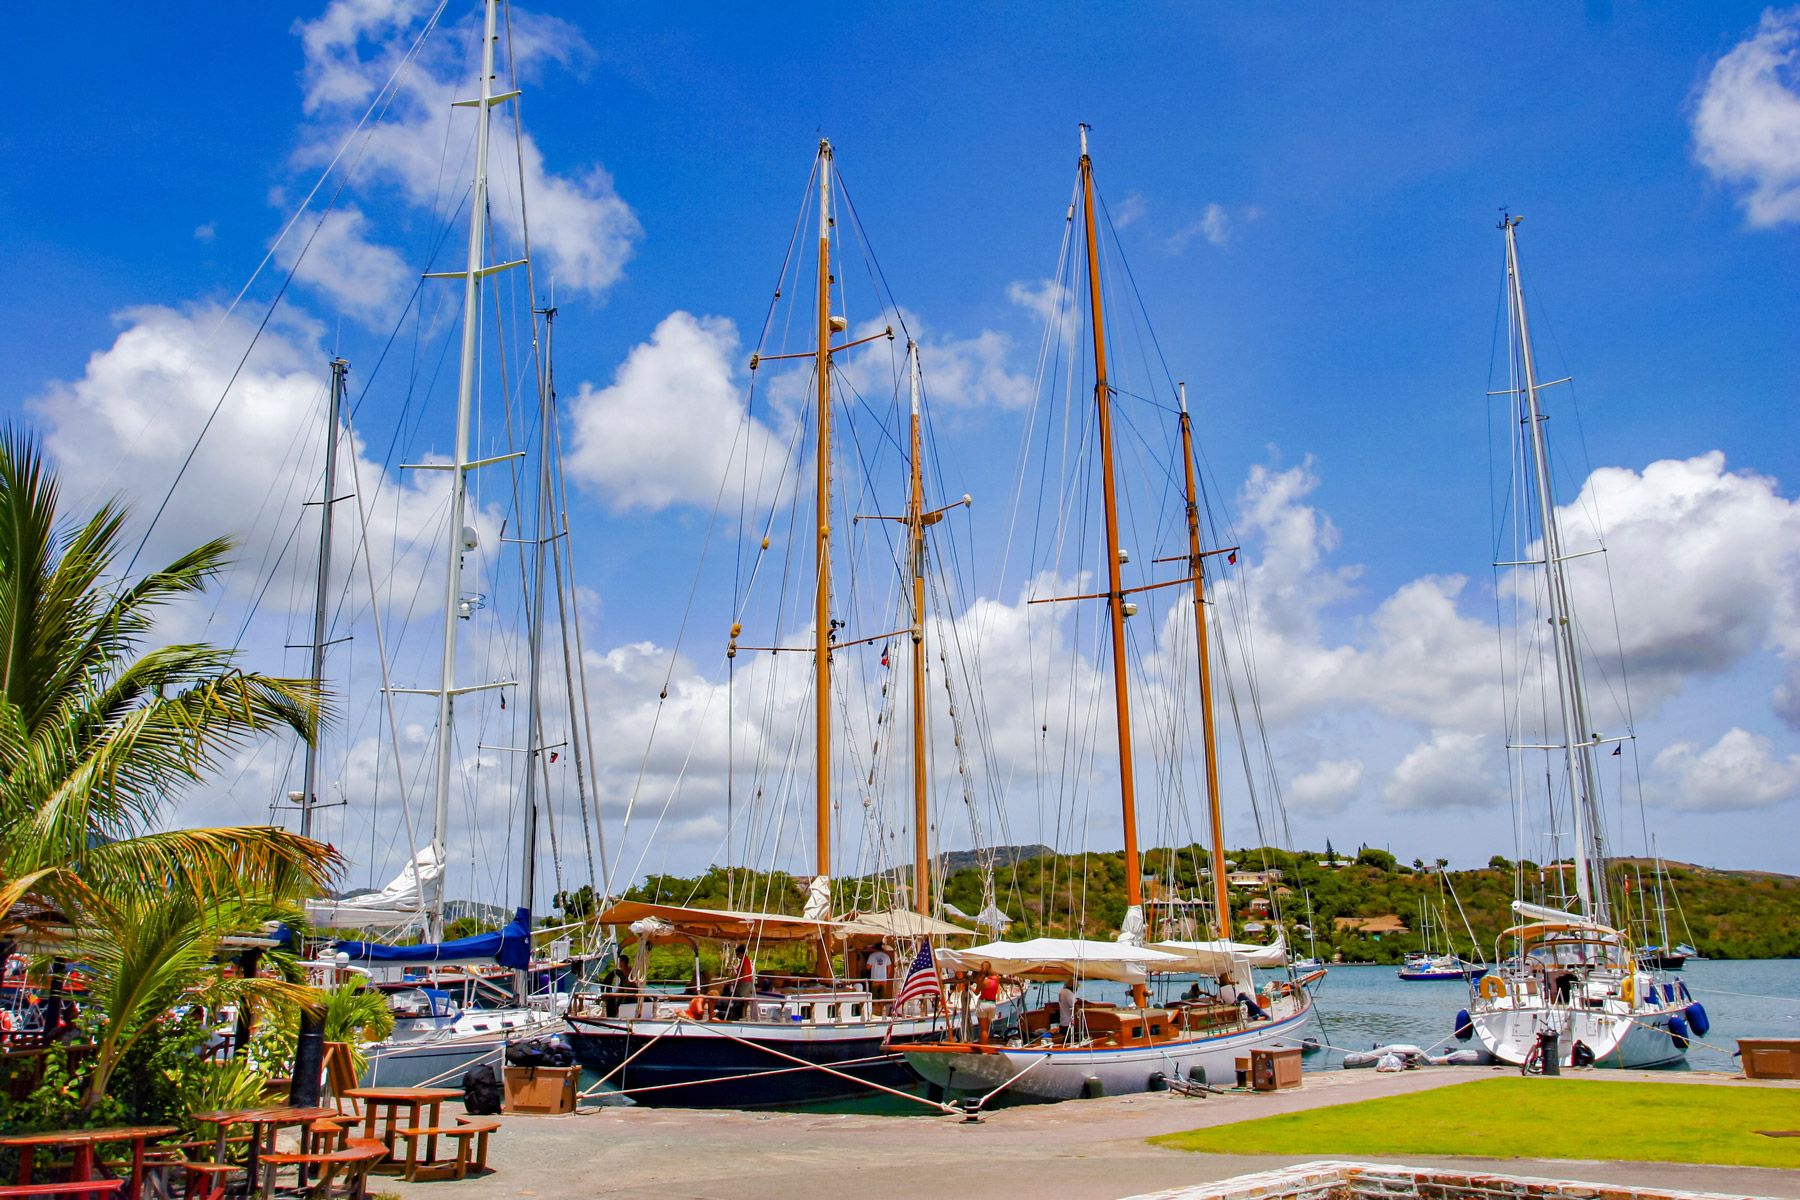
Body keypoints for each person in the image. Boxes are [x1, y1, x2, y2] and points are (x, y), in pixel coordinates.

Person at [975, 962, 1002, 1044]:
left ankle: (984, 1048)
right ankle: (984, 1044)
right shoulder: (996, 978)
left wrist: (971, 988)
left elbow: (976, 992)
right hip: (992, 1004)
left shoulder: (983, 981)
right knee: (986, 1028)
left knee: (983, 1029)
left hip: (983, 1003)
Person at [1056, 977, 1078, 1041]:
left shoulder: (1062, 991)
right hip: (1068, 1023)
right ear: (1073, 986)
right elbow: (1073, 1004)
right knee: (1069, 1040)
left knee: (1065, 1039)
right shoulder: (1068, 993)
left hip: (1063, 1021)